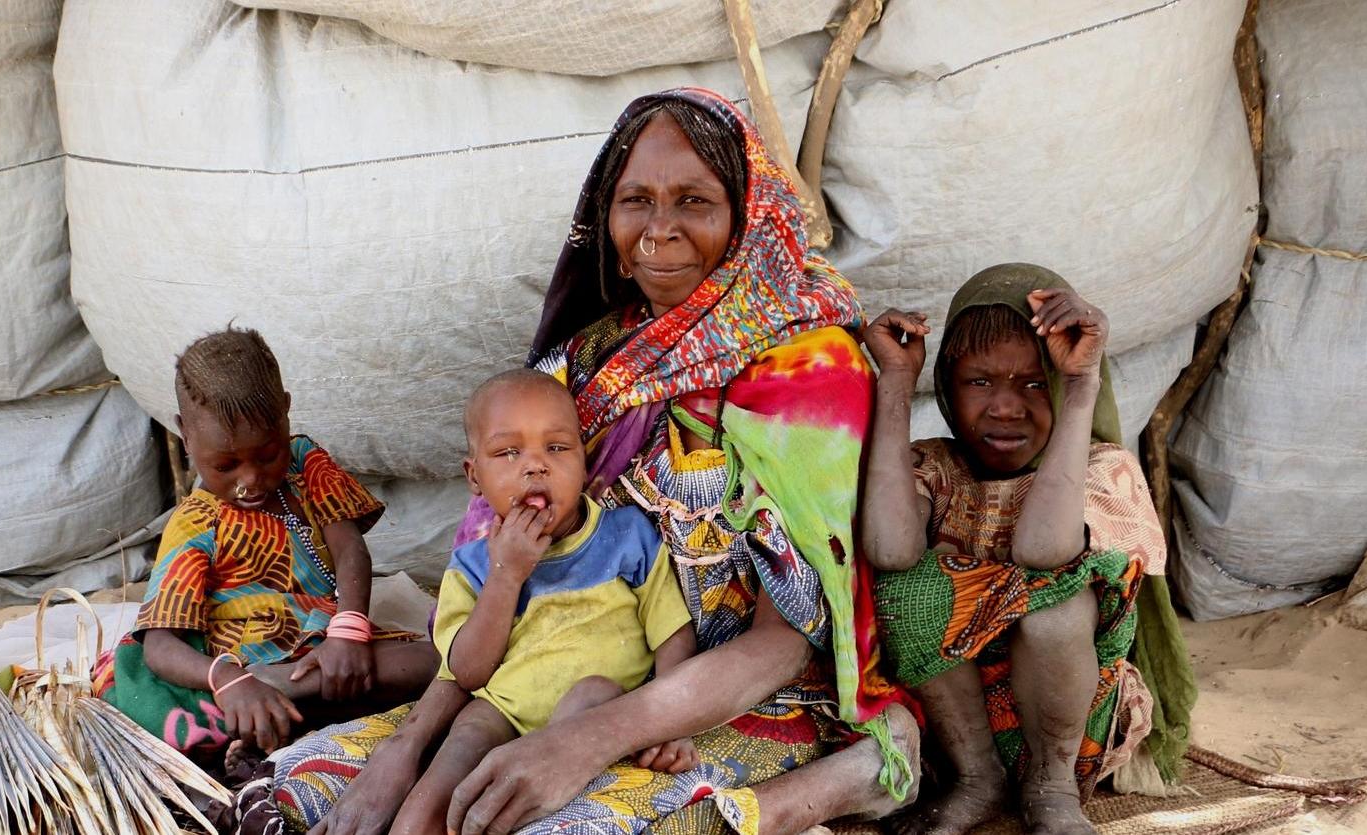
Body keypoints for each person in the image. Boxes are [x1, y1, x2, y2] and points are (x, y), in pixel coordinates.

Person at [264, 88, 921, 835]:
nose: (660, 228)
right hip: (553, 677)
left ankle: (849, 778)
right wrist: (410, 746)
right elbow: (500, 578)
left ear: (747, 215)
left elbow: (784, 638)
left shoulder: (807, 370)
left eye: (694, 201)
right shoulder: (580, 365)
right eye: (636, 199)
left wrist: (586, 741)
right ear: (605, 221)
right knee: (303, 788)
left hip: (733, 700)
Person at [859, 264, 1171, 834]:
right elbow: (889, 547)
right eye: (979, 382)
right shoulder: (937, 466)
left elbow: (1045, 550)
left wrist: (1080, 388)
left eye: (1033, 383)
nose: (1005, 407)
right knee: (901, 587)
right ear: (948, 390)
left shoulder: (1105, 469)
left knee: (1056, 607)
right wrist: (898, 382)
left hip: (1073, 726)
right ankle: (978, 780)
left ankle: (1049, 788)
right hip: (953, 730)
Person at [96, 327, 438, 757]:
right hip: (249, 666)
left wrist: (348, 632)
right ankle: (282, 699)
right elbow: (160, 647)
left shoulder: (304, 462)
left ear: (286, 411)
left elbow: (349, 548)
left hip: (328, 647)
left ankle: (295, 706)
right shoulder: (196, 522)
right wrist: (229, 680)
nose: (251, 479)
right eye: (227, 464)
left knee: (439, 663)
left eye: (267, 455)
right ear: (185, 433)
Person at [387, 369, 699, 834]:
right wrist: (506, 575)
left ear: (583, 459)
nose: (535, 466)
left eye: (556, 448)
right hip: (504, 711)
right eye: (508, 452)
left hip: (592, 714)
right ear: (474, 477)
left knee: (590, 694)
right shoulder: (472, 566)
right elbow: (469, 672)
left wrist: (674, 723)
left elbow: (673, 634)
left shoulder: (627, 536)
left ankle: (533, 795)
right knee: (459, 746)